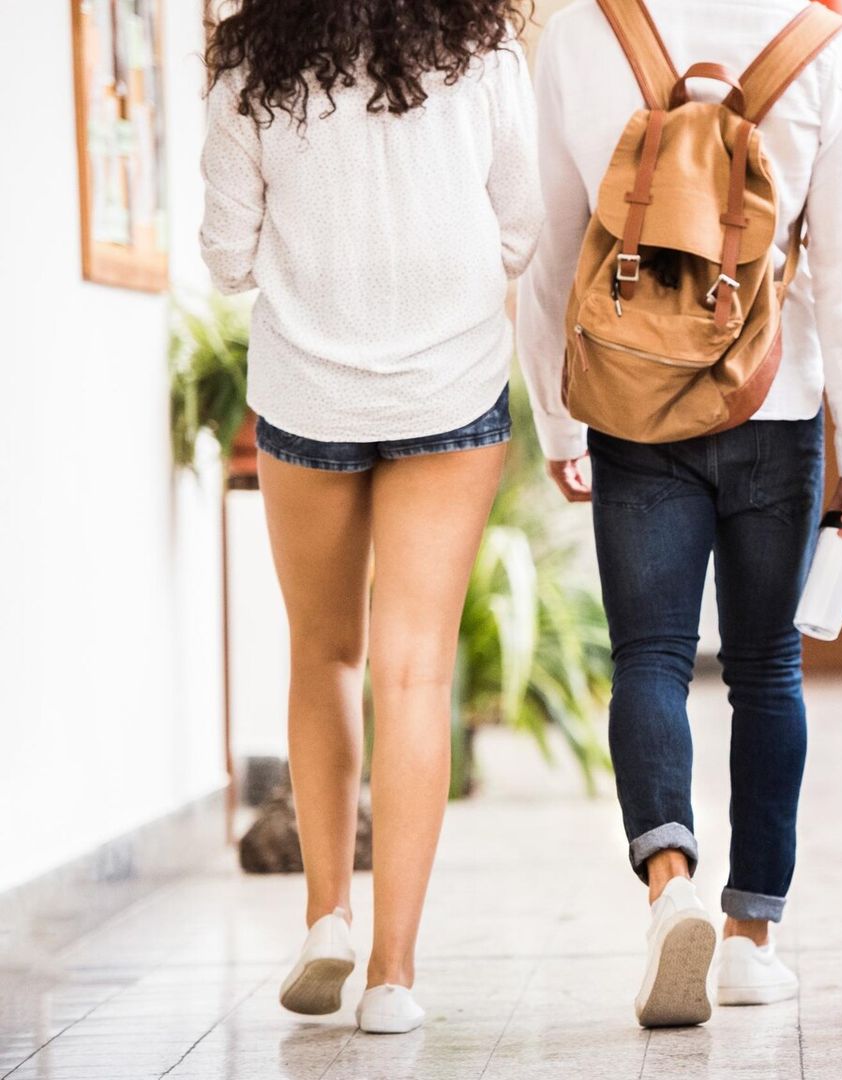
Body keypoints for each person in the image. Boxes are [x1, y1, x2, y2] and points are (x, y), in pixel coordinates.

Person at [517, 0, 842, 1028]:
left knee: (649, 656)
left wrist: (559, 421)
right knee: (767, 670)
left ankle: (668, 883)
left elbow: (554, 250)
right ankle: (748, 942)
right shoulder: (822, 48)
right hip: (774, 399)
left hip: (635, 401)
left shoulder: (583, 30)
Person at [198, 0, 540, 1036]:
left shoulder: (251, 64)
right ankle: (392, 974)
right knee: (414, 670)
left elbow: (224, 256)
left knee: (324, 654)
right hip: (450, 386)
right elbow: (521, 230)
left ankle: (324, 918)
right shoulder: (483, 53)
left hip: (309, 394)